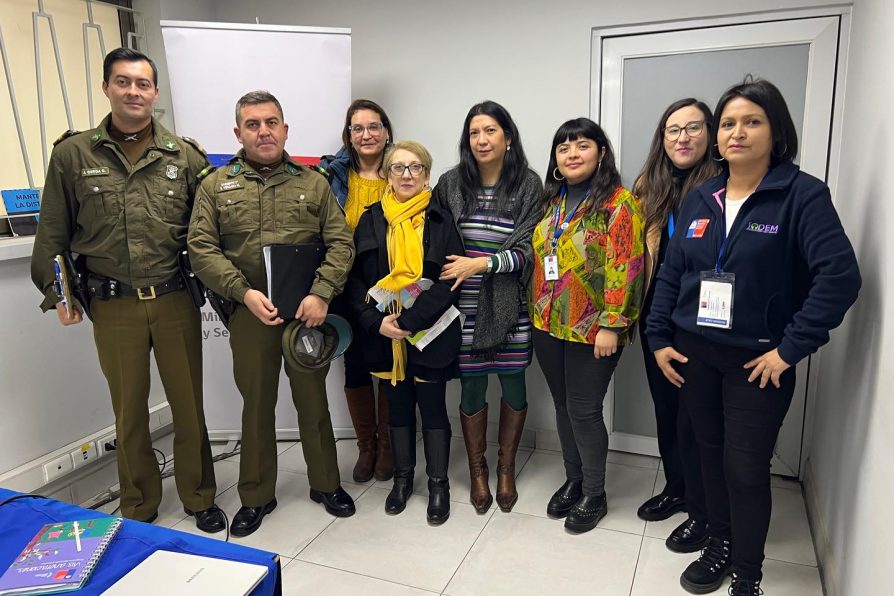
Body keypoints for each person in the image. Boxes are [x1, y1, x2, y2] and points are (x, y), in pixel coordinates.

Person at [646, 78, 860, 595]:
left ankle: (747, 572)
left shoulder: (801, 195)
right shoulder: (702, 197)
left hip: (756, 363)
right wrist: (657, 335)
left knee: (744, 468)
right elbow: (673, 272)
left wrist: (790, 349)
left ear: (775, 130)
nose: (737, 132)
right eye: (729, 124)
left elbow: (840, 276)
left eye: (752, 121)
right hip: (695, 353)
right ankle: (719, 542)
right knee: (707, 454)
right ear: (717, 138)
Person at [30, 48, 223, 531]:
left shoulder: (186, 155)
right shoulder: (72, 155)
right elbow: (52, 231)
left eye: (142, 84)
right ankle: (138, 505)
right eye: (123, 82)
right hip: (112, 304)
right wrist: (58, 294)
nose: (133, 92)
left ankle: (200, 496)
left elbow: (210, 231)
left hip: (175, 297)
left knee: (188, 403)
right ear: (107, 88)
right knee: (129, 410)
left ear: (155, 93)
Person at [188, 90, 357, 537]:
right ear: (238, 132)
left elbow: (341, 243)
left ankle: (325, 484)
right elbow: (201, 248)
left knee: (313, 400)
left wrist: (322, 293)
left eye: (271, 122)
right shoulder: (215, 185)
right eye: (253, 124)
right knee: (256, 405)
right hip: (250, 313)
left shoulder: (314, 183)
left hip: (307, 315)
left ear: (285, 129)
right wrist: (242, 293)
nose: (263, 131)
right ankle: (256, 495)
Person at [530, 118, 645, 533]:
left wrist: (613, 324)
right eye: (564, 148)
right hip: (547, 323)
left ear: (600, 153)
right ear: (556, 160)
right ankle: (574, 480)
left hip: (593, 329)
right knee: (563, 406)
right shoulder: (552, 201)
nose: (572, 153)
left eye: (581, 145)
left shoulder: (619, 203)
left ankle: (594, 493)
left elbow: (626, 267)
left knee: (583, 409)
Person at [433, 100, 542, 513]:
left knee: (513, 380)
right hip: (461, 306)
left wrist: (485, 262)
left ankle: (505, 466)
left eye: (491, 131)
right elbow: (438, 241)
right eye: (474, 132)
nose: (482, 139)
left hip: (510, 302)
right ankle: (478, 470)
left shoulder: (528, 185)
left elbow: (532, 248)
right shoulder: (450, 183)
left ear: (508, 138)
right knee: (473, 384)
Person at [346, 140, 463, 525]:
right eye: (398, 168)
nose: (407, 175)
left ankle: (438, 484)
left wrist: (410, 323)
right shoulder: (371, 219)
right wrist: (376, 322)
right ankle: (401, 480)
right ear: (387, 175)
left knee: (432, 408)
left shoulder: (443, 221)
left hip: (427, 333)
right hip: (384, 335)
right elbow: (354, 280)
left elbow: (449, 282)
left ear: (427, 174)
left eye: (415, 168)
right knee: (396, 408)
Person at [633, 99, 717, 552]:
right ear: (662, 140)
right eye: (672, 130)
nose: (682, 138)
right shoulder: (651, 185)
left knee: (698, 420)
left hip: (703, 322)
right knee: (668, 413)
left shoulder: (725, 186)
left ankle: (705, 508)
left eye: (692, 128)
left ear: (710, 134)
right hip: (657, 316)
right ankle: (678, 488)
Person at [318, 99, 395, 483]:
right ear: (348, 135)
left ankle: (389, 445)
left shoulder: (401, 170)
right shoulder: (332, 175)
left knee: (391, 363)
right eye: (357, 128)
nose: (366, 135)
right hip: (345, 284)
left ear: (386, 131)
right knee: (356, 363)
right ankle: (368, 446)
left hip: (391, 284)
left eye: (373, 126)